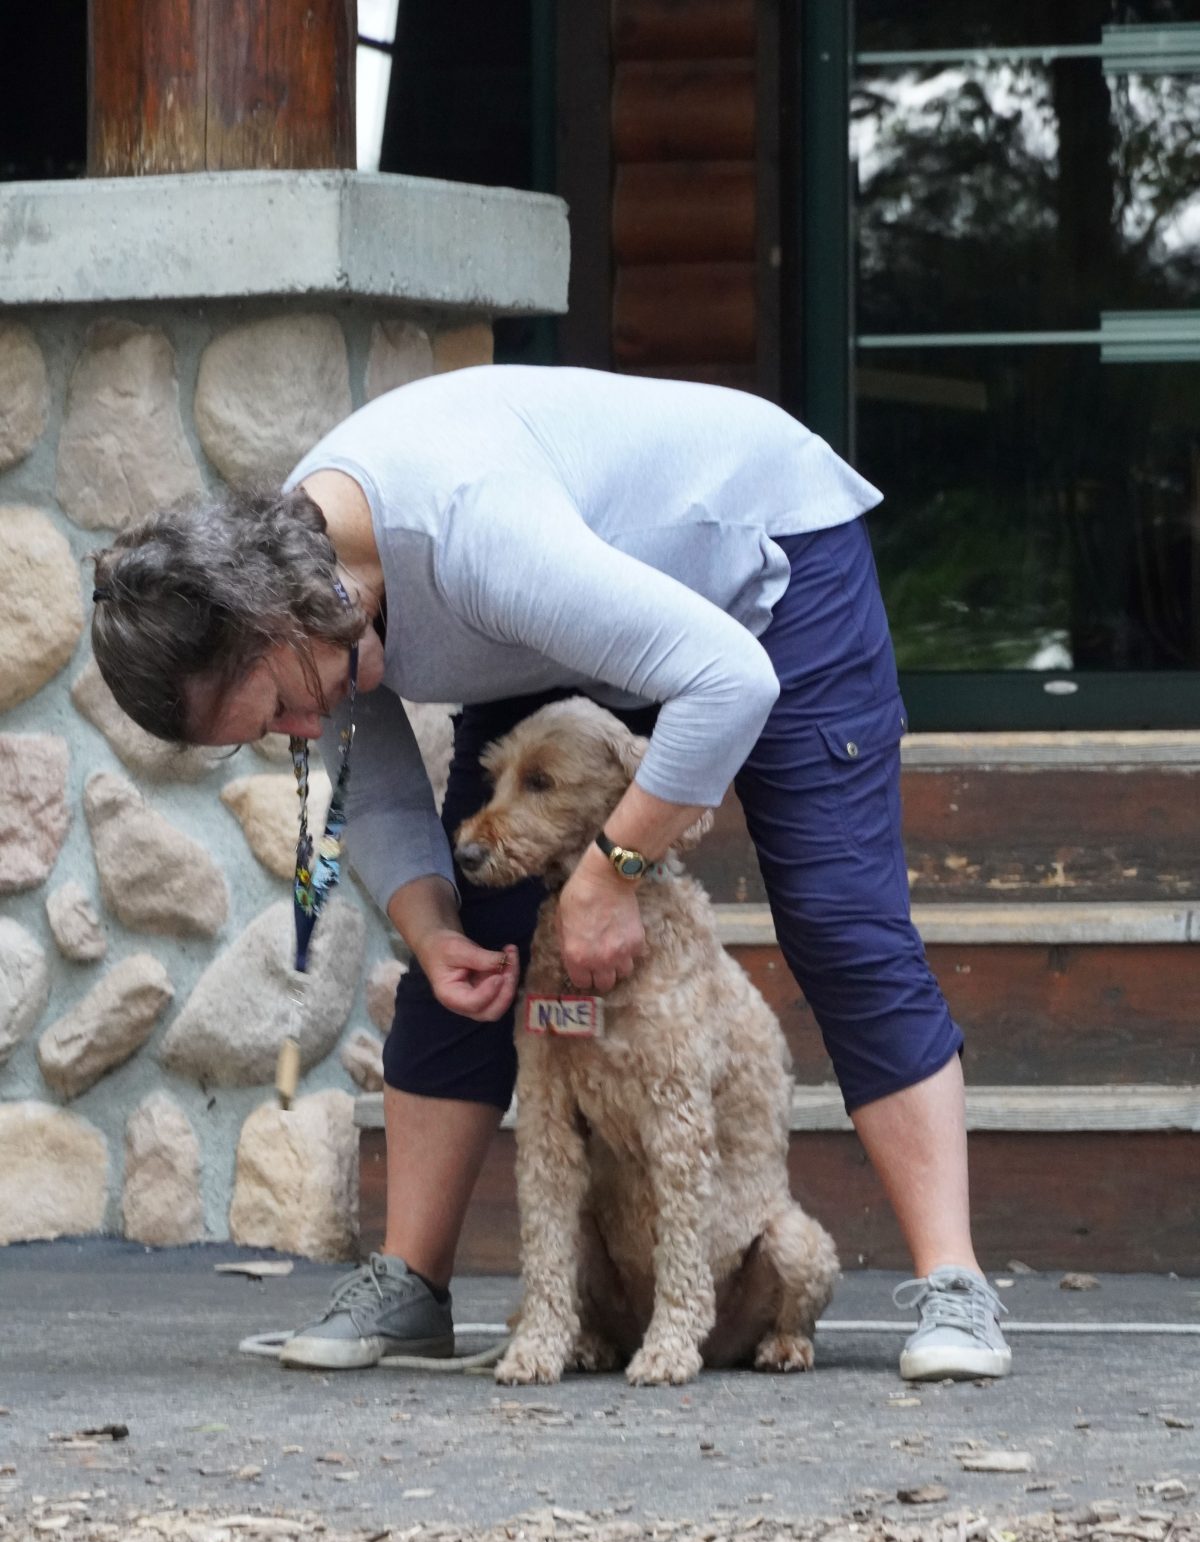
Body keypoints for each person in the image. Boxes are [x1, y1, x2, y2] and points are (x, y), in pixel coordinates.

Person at [91, 364, 1011, 1383]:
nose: (303, 732)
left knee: (839, 917)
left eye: (277, 708)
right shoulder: (305, 581)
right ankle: (410, 1284)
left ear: (276, 618)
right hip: (565, 640)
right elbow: (388, 797)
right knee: (479, 914)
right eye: (268, 736)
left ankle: (956, 1285)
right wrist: (435, 933)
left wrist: (612, 871)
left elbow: (727, 679)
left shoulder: (469, 534)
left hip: (761, 578)